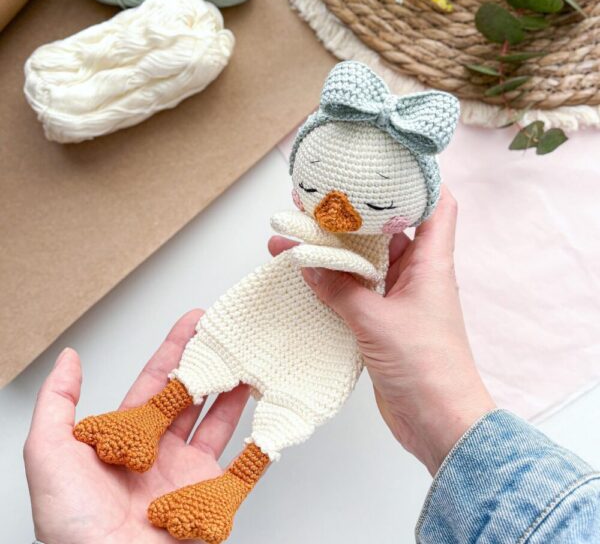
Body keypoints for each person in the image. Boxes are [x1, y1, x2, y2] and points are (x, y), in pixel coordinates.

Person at [24, 188, 600, 544]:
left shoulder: (368, 264)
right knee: (212, 355)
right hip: (262, 319)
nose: (338, 205)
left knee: (280, 414)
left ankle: (225, 490)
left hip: (315, 360)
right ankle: (150, 419)